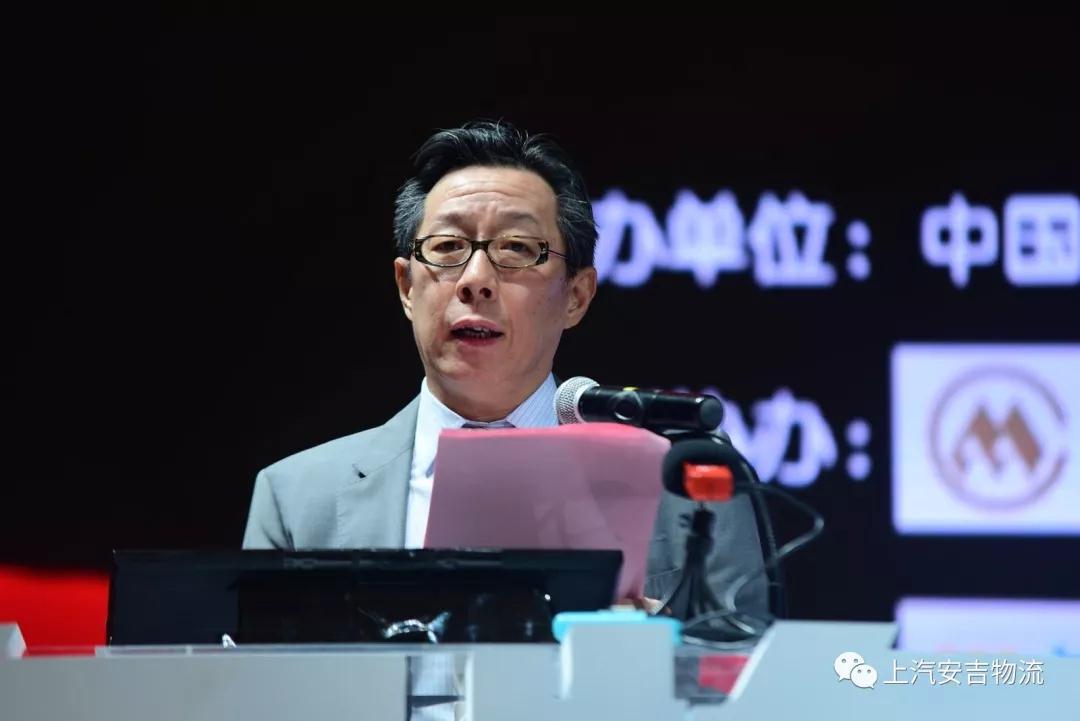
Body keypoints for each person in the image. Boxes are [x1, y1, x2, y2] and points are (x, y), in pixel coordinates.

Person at [242, 118, 767, 614]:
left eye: (516, 248)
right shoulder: (297, 499)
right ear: (406, 287)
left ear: (577, 296)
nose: (475, 279)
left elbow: (740, 669)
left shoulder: (689, 484)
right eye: (448, 247)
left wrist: (652, 644)